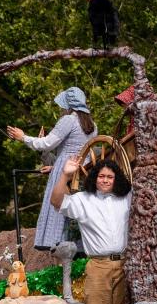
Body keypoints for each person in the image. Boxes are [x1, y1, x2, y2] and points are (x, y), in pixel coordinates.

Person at [52, 155, 132, 304]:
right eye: (102, 176)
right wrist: (65, 175)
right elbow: (57, 201)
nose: (106, 180)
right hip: (98, 265)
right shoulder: (83, 200)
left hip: (123, 264)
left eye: (110, 176)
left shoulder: (125, 198)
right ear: (95, 178)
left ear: (117, 179)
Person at [6, 87, 98, 251]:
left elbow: (46, 143)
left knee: (59, 205)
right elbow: (76, 152)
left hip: (66, 170)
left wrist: (23, 137)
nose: (61, 109)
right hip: (82, 171)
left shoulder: (69, 120)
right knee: (75, 208)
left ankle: (58, 244)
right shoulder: (93, 125)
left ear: (69, 105)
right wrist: (54, 165)